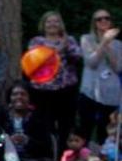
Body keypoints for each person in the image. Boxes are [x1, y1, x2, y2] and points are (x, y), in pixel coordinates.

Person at [27, 11, 82, 148]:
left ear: (61, 24)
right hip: (43, 92)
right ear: (43, 25)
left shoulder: (69, 40)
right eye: (49, 21)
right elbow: (36, 60)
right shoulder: (36, 41)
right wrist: (58, 50)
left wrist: (66, 47)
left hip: (66, 91)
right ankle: (47, 158)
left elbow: (78, 57)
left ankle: (63, 160)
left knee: (66, 127)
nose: (52, 24)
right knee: (44, 127)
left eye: (56, 21)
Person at [78, 10, 122, 144]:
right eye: (99, 19)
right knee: (85, 131)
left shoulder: (118, 44)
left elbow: (118, 67)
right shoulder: (86, 39)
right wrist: (104, 42)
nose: (103, 21)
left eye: (106, 18)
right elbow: (91, 62)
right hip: (89, 92)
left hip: (110, 94)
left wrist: (108, 43)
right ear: (94, 23)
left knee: (106, 134)